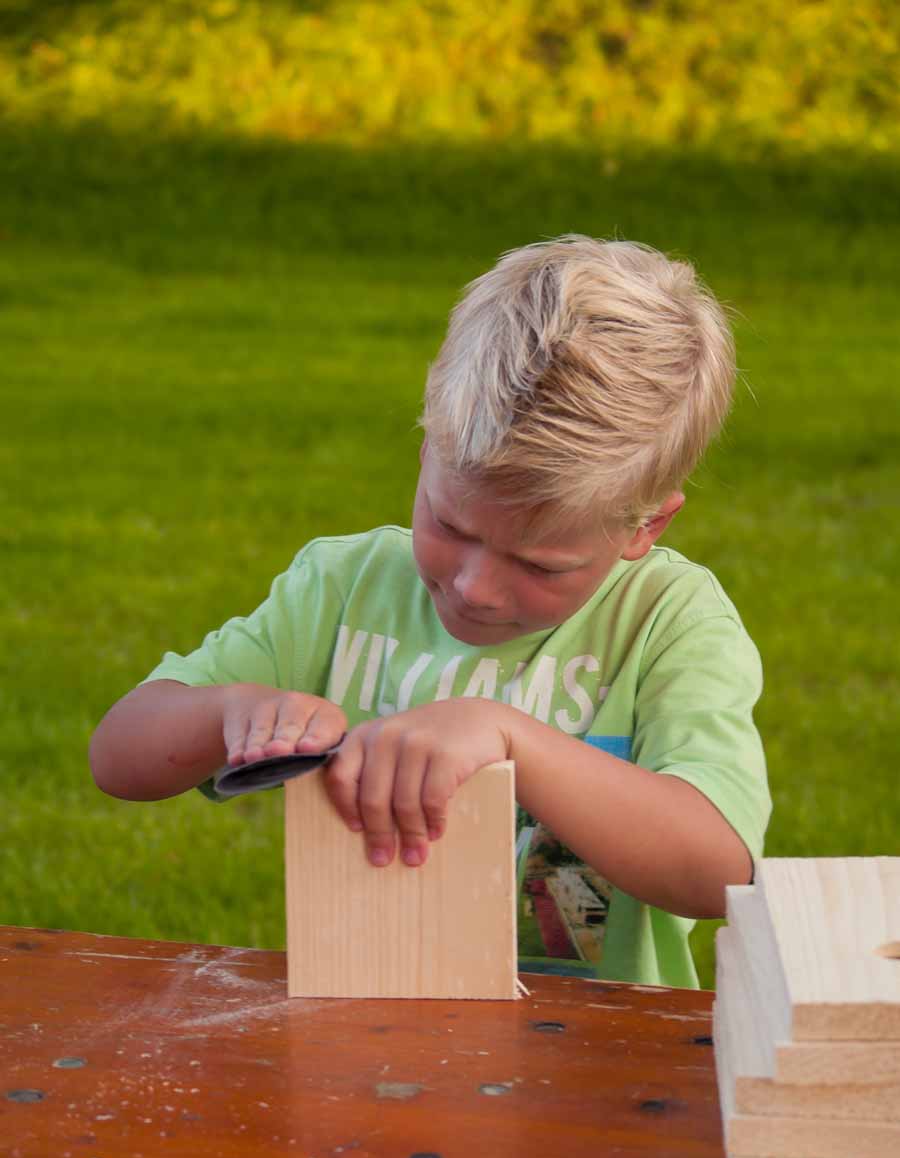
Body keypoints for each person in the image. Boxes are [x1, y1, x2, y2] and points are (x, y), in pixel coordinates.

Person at [90, 235, 770, 989]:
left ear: (647, 527)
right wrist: (230, 711)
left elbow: (718, 871)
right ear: (426, 452)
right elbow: (118, 757)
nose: (476, 587)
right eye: (450, 525)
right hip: (361, 1023)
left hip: (597, 1046)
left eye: (540, 565)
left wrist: (508, 736)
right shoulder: (343, 589)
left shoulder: (668, 621)